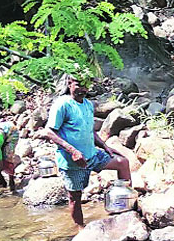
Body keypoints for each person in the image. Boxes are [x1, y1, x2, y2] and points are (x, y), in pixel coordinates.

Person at [44, 74, 131, 228]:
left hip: (92, 154)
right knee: (75, 198)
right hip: (72, 162)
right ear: (69, 83)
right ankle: (80, 229)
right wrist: (73, 151)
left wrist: (104, 145)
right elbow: (49, 132)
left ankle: (126, 209)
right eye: (79, 85)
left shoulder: (88, 104)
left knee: (122, 163)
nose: (83, 89)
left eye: (86, 86)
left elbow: (90, 130)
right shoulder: (62, 104)